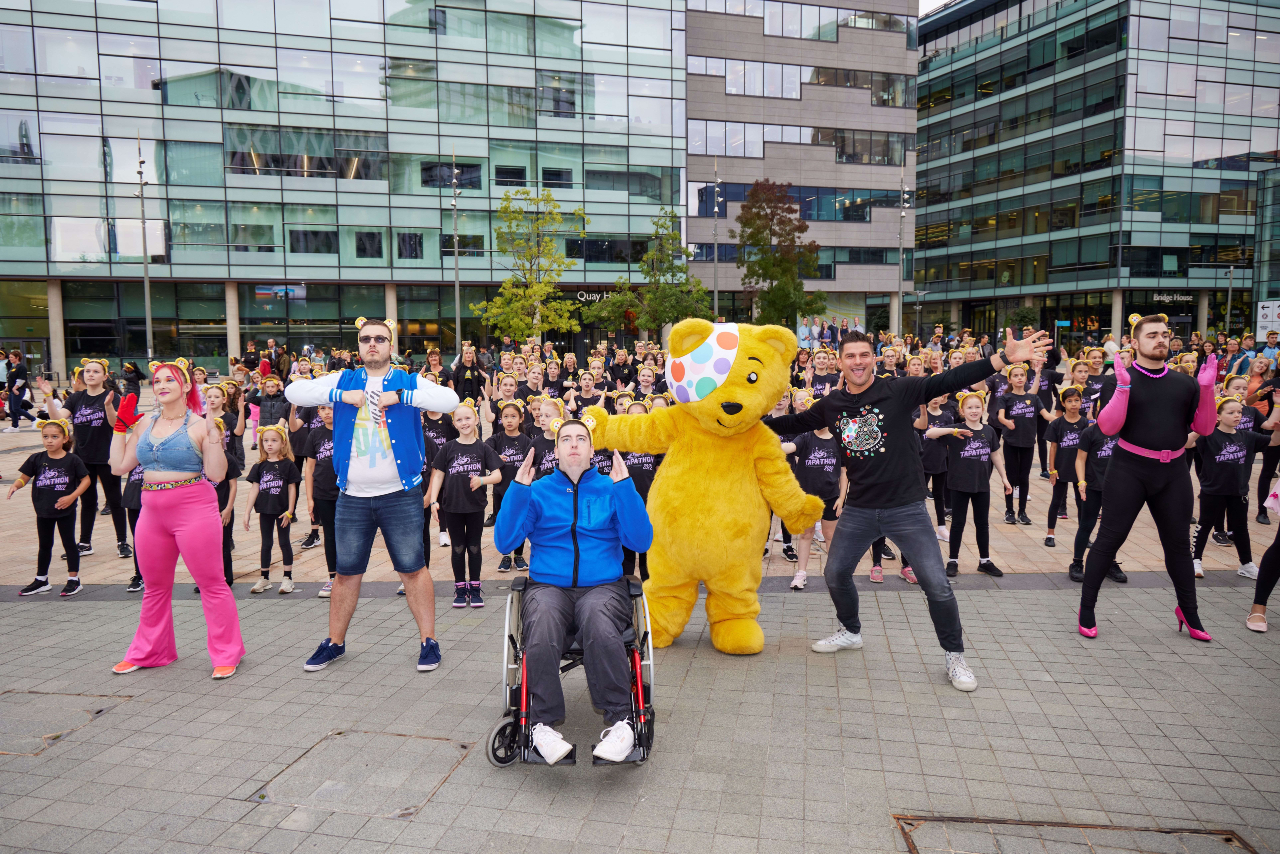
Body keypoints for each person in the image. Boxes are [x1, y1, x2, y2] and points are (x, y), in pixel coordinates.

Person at [764, 327, 1051, 692]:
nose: (857, 362)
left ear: (875, 357)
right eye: (850, 356)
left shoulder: (898, 390)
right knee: (836, 575)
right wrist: (742, 424)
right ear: (840, 361)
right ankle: (851, 632)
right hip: (860, 508)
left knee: (937, 585)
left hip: (906, 508)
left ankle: (954, 655)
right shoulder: (832, 405)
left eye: (863, 355)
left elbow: (952, 376)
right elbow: (791, 423)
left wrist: (1003, 359)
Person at [286, 319, 460, 673]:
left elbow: (451, 399)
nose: (372, 344)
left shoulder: (406, 379)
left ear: (390, 344)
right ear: (359, 345)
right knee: (346, 573)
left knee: (413, 569)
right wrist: (339, 395)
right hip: (352, 496)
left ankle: (429, 641)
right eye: (366, 339)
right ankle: (334, 643)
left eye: (380, 339)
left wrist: (403, 396)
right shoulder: (344, 379)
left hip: (401, 493)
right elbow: (295, 393)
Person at [493, 419, 653, 764]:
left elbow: (640, 541)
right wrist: (518, 490)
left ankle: (622, 721)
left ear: (592, 449)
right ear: (557, 450)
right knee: (543, 621)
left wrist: (625, 488)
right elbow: (505, 541)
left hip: (603, 588)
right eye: (566, 439)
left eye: (582, 438)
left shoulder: (611, 489)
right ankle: (541, 725)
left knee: (597, 619)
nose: (575, 444)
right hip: (549, 586)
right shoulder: (538, 491)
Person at [1078, 314, 1217, 640]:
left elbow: (1205, 428)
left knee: (1179, 546)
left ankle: (1190, 612)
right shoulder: (1120, 378)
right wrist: (1124, 388)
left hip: (1173, 471)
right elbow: (1107, 427)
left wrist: (1207, 388)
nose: (1161, 340)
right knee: (1109, 539)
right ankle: (1086, 608)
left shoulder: (1185, 383)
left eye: (1165, 335)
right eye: (1152, 334)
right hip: (1129, 468)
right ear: (1135, 343)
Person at [109, 361, 245, 679]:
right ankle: (152, 651)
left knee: (212, 583)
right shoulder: (144, 424)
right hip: (151, 509)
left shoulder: (199, 424)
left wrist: (213, 436)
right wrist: (119, 429)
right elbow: (118, 466)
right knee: (154, 586)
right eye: (157, 380)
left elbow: (216, 474)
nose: (162, 384)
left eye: (170, 379)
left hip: (193, 506)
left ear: (186, 387)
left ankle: (228, 653)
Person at [37, 360, 131, 559]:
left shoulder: (112, 396)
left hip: (107, 457)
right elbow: (58, 420)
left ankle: (122, 542)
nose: (90, 374)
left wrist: (107, 407)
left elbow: (116, 424)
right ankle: (85, 543)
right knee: (88, 501)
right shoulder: (76, 398)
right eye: (87, 371)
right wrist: (47, 396)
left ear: (105, 376)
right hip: (82, 458)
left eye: (96, 371)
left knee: (115, 500)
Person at [1189, 396, 1280, 579]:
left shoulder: (1247, 436)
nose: (1237, 415)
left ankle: (1246, 564)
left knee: (1240, 528)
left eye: (1239, 412)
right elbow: (1187, 444)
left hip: (1238, 491)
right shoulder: (1208, 436)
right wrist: (1201, 425)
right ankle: (1195, 560)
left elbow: (1273, 442)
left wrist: (1277, 429)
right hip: (1212, 491)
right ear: (1219, 416)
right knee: (1205, 525)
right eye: (1231, 413)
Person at [925, 391, 1010, 577]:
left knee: (982, 523)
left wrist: (1004, 477)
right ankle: (953, 560)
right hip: (958, 484)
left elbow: (995, 454)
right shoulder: (956, 429)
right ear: (962, 410)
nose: (974, 411)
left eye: (977, 407)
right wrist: (952, 431)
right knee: (958, 523)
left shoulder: (988, 431)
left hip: (981, 485)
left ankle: (984, 560)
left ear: (983, 409)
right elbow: (930, 433)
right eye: (969, 408)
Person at [10, 419, 91, 596]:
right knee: (45, 545)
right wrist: (16, 484)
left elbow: (86, 480)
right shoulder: (36, 458)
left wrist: (72, 497)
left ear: (64, 439)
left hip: (65, 510)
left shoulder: (72, 460)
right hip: (43, 509)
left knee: (69, 543)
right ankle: (41, 579)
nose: (49, 440)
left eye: (55, 436)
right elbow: (24, 477)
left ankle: (73, 580)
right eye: (45, 436)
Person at [780, 415, 846, 591]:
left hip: (831, 497)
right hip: (807, 498)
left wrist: (841, 497)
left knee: (830, 535)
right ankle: (801, 573)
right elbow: (790, 447)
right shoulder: (806, 437)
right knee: (806, 534)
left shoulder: (838, 439)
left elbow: (843, 471)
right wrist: (770, 445)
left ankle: (833, 574)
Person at [244, 424, 301, 594]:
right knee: (266, 544)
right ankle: (264, 578)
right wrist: (246, 512)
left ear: (283, 443)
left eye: (274, 441)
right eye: (266, 441)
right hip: (265, 510)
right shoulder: (259, 466)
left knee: (284, 543)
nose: (269, 444)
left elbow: (292, 488)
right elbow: (254, 488)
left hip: (282, 511)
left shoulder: (288, 465)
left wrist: (290, 510)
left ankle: (287, 578)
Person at [1069, 422, 1124, 584]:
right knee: (1086, 525)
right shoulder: (1089, 432)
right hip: (1092, 486)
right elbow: (1080, 459)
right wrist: (1081, 482)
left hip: (1115, 487)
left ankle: (1109, 564)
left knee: (1111, 528)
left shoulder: (1123, 432)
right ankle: (1077, 563)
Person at [997, 362, 1049, 525]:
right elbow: (1000, 416)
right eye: (1015, 376)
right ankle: (1009, 511)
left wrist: (1069, 420)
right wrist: (1007, 423)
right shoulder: (1006, 398)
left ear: (1026, 378)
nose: (1019, 378)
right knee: (1011, 477)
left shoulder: (1033, 398)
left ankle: (1022, 511)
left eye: (1022, 375)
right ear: (1009, 379)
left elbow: (1046, 415)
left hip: (1028, 442)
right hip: (1011, 442)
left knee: (1024, 477)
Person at [487, 400, 532, 569]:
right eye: (505, 417)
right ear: (501, 419)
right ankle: (505, 556)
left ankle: (519, 555)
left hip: (520, 490)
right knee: (503, 521)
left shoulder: (526, 441)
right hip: (500, 490)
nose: (509, 420)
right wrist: (495, 457)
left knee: (520, 521)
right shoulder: (496, 439)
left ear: (521, 419)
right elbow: (484, 452)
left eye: (513, 416)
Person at [302, 403, 340, 597]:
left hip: (347, 492)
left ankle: (347, 577)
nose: (327, 412)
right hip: (322, 493)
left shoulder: (346, 430)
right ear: (318, 412)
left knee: (348, 536)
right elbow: (309, 469)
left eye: (331, 409)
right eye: (323, 409)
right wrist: (310, 498)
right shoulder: (315, 434)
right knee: (330, 536)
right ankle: (333, 577)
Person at [1043, 386, 1086, 547]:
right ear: (1063, 403)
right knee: (1056, 501)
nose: (1073, 404)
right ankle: (1050, 534)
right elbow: (1053, 448)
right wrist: (1052, 470)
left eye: (1076, 400)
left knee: (1082, 503)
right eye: (1069, 401)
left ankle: (1083, 534)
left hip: (1079, 471)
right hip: (1061, 468)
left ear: (1081, 402)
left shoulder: (1085, 425)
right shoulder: (1057, 424)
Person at [4, 349, 37, 431]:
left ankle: (34, 419)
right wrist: (6, 389)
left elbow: (21, 380)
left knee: (16, 408)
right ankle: (14, 426)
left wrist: (15, 388)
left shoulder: (21, 367)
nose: (10, 359)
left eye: (11, 357)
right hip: (11, 390)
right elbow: (10, 379)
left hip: (18, 390)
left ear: (17, 358)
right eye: (9, 357)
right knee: (11, 409)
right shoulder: (13, 368)